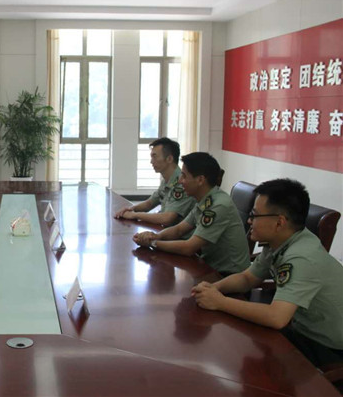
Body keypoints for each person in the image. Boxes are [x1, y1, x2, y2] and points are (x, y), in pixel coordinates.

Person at [192, 179, 343, 373]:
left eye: (254, 215)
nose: (249, 221)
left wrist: (220, 302)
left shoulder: (301, 256)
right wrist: (215, 288)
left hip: (328, 346)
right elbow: (248, 278)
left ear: (279, 222)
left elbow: (276, 317)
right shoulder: (281, 241)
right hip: (301, 328)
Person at [133, 152, 250, 276]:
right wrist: (155, 236)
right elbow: (179, 230)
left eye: (184, 176)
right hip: (209, 267)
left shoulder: (218, 205)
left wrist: (152, 243)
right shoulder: (205, 200)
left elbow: (189, 248)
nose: (180, 180)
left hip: (228, 276)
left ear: (200, 180)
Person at [115, 137, 195, 226]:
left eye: (155, 156)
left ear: (169, 159)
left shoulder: (182, 183)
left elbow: (167, 219)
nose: (151, 161)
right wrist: (130, 209)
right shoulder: (167, 180)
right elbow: (149, 203)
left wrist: (135, 215)